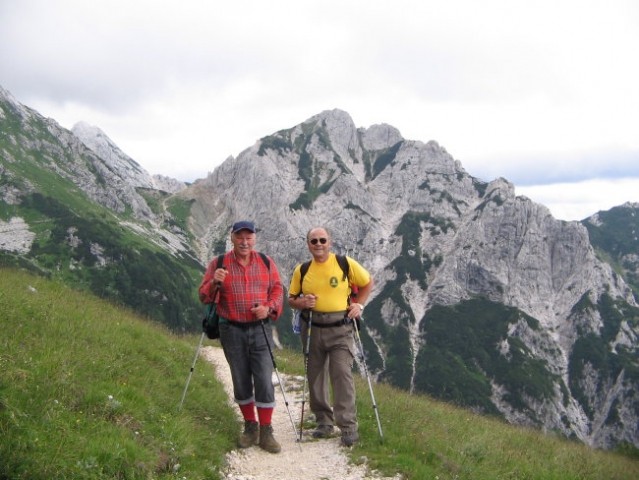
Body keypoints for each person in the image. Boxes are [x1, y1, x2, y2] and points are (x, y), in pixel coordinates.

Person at [199, 220, 284, 453]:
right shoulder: (219, 264)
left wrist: (268, 307)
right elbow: (204, 296)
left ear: (255, 238)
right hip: (231, 329)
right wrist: (215, 282)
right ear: (232, 238)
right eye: (240, 237)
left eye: (249, 237)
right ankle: (250, 427)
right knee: (240, 378)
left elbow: (277, 289)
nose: (244, 241)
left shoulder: (266, 262)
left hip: (260, 328)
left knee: (264, 379)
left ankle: (266, 431)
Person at [288, 227, 373, 447]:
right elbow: (291, 299)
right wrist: (302, 303)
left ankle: (347, 426)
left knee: (341, 374)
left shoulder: (345, 263)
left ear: (329, 242)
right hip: (312, 328)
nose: (318, 244)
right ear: (308, 244)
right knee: (315, 374)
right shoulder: (302, 270)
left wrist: (359, 305)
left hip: (341, 329)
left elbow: (367, 283)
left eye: (322, 240)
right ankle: (323, 422)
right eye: (313, 241)